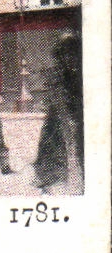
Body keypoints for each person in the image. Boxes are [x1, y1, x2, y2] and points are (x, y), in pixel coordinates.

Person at [32, 32, 83, 194]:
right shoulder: (57, 76)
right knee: (51, 145)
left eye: (73, 53)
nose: (70, 58)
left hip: (77, 121)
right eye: (66, 53)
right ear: (60, 56)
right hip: (58, 122)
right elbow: (57, 103)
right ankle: (49, 180)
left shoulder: (82, 73)